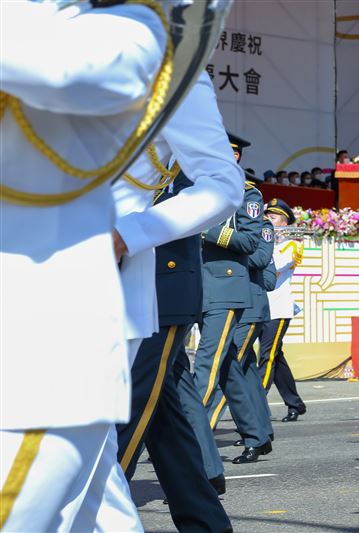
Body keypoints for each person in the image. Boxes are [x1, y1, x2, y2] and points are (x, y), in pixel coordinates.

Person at [0, 2, 165, 530]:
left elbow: (61, 71)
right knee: (100, 499)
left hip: (44, 349)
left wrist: (131, 235)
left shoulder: (125, 33)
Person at [112, 71, 241, 531]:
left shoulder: (169, 76)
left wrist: (125, 237)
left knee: (118, 429)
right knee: (163, 418)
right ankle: (206, 521)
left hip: (154, 287)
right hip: (122, 287)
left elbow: (218, 189)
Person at [192, 133, 272, 465]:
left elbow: (251, 244)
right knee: (227, 370)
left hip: (225, 290)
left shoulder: (245, 193)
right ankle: (255, 434)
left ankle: (192, 450)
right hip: (195, 286)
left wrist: (204, 229)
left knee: (206, 368)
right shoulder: (194, 188)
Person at [207, 168, 277, 463]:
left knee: (225, 363)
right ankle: (259, 433)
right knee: (240, 369)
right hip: (230, 295)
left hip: (249, 304)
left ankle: (205, 429)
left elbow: (260, 258)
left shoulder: (261, 226)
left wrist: (220, 242)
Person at [259, 199, 309, 422]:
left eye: (274, 217)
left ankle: (256, 403)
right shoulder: (265, 242)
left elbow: (272, 265)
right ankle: (295, 404)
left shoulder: (292, 245)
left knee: (267, 356)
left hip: (278, 308)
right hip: (262, 307)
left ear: (285, 222)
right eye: (267, 215)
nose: (268, 219)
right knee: (276, 358)